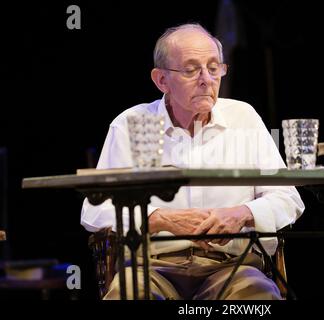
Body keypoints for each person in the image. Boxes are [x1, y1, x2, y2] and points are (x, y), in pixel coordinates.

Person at [81, 23, 304, 300]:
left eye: (213, 68)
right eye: (190, 70)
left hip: (232, 266)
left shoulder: (243, 118)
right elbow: (94, 210)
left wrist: (242, 213)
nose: (206, 79)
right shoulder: (131, 124)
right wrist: (159, 219)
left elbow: (288, 198)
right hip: (151, 268)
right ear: (161, 80)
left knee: (256, 295)